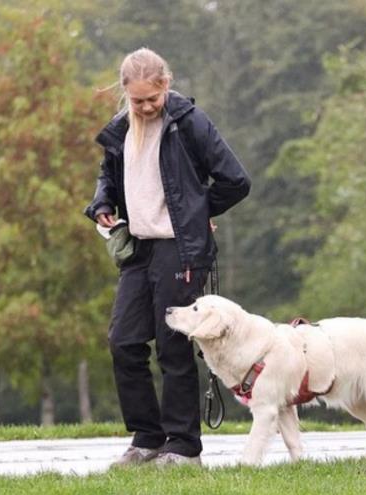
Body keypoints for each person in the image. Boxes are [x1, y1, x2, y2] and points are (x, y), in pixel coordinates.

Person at [84, 48, 251, 466]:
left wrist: (196, 213)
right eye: (136, 100)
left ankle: (183, 446)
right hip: (139, 248)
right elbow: (109, 175)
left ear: (165, 85)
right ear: (125, 93)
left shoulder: (189, 122)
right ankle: (146, 438)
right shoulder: (122, 128)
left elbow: (235, 180)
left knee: (173, 346)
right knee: (123, 341)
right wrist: (103, 202)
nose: (144, 107)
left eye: (151, 99)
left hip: (180, 249)